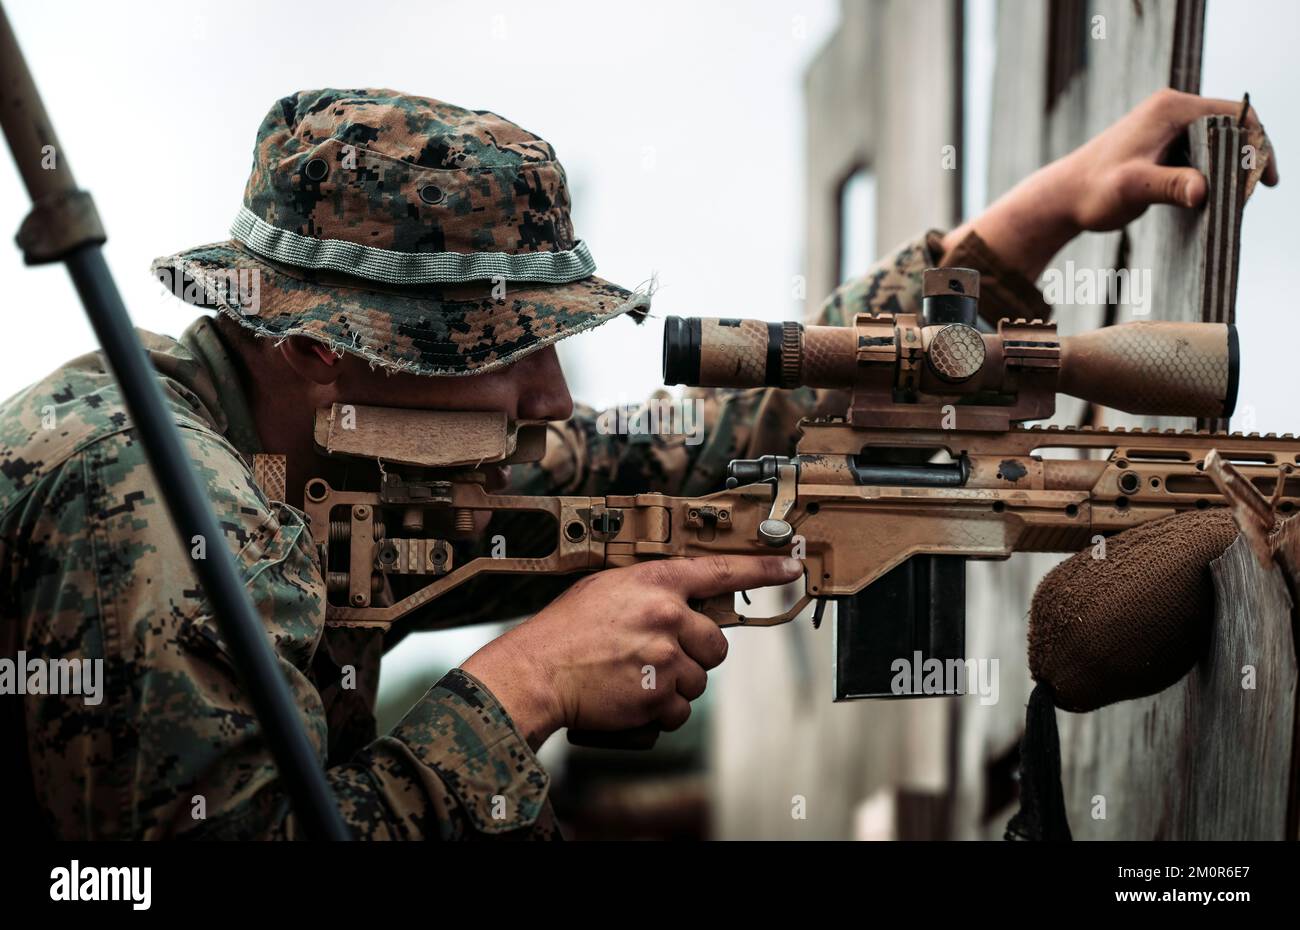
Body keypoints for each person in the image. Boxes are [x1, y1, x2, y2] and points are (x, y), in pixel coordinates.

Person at [0, 87, 1275, 839]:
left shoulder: (347, 441)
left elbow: (712, 452)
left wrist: (1019, 226)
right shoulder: (146, 507)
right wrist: (525, 685)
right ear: (330, 350)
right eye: (501, 353)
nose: (553, 395)